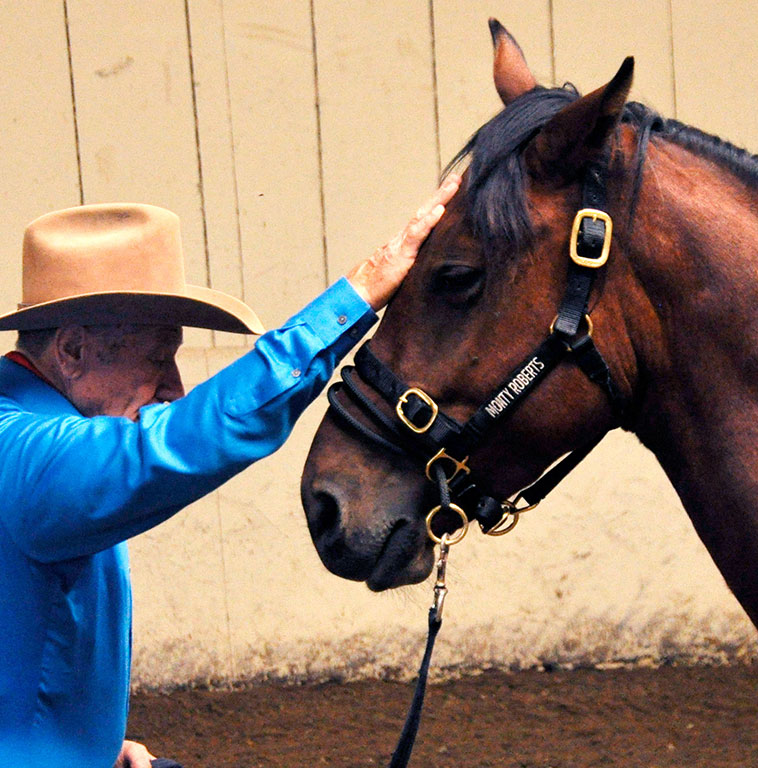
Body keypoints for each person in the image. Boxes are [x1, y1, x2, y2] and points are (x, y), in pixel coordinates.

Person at [0, 174, 460, 768]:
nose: (173, 387)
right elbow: (176, 445)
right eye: (157, 359)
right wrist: (358, 294)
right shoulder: (24, 457)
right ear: (71, 351)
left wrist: (85, 745)